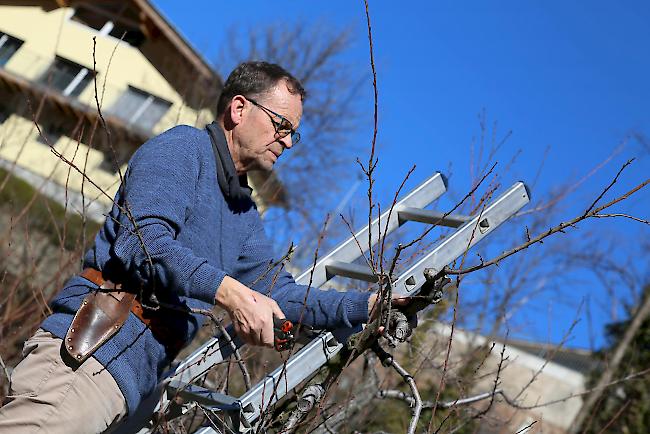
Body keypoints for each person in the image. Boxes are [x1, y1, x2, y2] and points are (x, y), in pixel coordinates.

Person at [0, 62, 389, 433]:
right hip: (89, 359)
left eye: (293, 133)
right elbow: (144, 243)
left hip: (131, 389)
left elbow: (279, 293)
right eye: (282, 125)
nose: (287, 142)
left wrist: (367, 306)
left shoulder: (243, 211)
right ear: (239, 108)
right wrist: (232, 293)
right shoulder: (184, 149)